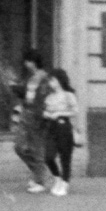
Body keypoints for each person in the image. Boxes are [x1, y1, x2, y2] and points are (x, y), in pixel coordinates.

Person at [8, 49, 55, 194]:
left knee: (37, 150)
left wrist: (43, 117)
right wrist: (15, 88)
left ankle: (40, 181)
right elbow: (26, 94)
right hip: (26, 115)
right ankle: (40, 174)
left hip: (37, 117)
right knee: (19, 147)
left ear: (33, 62)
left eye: (27, 61)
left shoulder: (45, 78)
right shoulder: (31, 77)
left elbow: (45, 99)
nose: (25, 64)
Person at [43, 68, 78, 196]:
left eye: (52, 80)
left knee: (65, 157)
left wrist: (59, 113)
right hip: (51, 127)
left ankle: (64, 183)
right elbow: (44, 111)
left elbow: (75, 111)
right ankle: (57, 177)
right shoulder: (49, 97)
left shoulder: (69, 95)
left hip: (64, 127)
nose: (50, 83)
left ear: (59, 80)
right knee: (48, 156)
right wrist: (47, 114)